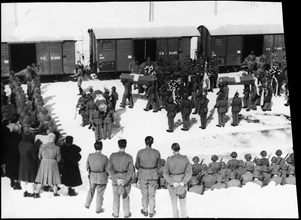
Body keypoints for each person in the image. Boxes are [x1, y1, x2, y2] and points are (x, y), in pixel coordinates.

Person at [163, 143, 192, 218]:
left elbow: (165, 173)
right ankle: (184, 216)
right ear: (179, 149)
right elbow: (189, 172)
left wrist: (172, 182)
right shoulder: (185, 158)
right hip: (182, 183)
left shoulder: (169, 159)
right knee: (183, 203)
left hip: (172, 185)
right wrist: (183, 182)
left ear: (172, 150)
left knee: (174, 204)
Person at [107, 139, 134, 218]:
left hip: (116, 178)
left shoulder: (112, 156)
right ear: (126, 146)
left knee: (116, 197)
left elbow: (109, 169)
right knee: (125, 197)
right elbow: (131, 171)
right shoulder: (129, 157)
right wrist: (125, 181)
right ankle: (126, 214)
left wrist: (116, 179)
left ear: (118, 145)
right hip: (126, 178)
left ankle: (115, 214)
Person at [135, 136, 161, 218]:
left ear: (145, 142)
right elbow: (159, 165)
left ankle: (145, 210)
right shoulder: (156, 152)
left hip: (143, 174)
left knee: (144, 193)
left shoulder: (140, 152)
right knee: (152, 194)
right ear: (152, 142)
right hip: (153, 174)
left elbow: (136, 165)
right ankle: (152, 211)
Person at [34, 133, 62, 198]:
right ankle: (55, 193)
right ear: (54, 139)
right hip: (53, 163)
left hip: (43, 163)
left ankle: (36, 193)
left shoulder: (42, 146)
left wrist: (44, 159)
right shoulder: (57, 148)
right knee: (54, 179)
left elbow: (39, 157)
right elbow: (59, 159)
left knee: (41, 179)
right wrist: (54, 161)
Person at [85, 141, 108, 214]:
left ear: (94, 147)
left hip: (92, 176)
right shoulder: (104, 158)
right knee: (100, 193)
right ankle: (98, 209)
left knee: (91, 190)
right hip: (101, 177)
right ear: (102, 147)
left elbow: (87, 167)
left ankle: (87, 204)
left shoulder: (90, 156)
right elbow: (107, 169)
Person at [18, 130, 39, 197]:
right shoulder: (31, 146)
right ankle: (31, 192)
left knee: (23, 178)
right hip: (30, 164)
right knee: (30, 179)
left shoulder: (20, 143)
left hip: (22, 163)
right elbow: (35, 157)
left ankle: (24, 191)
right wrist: (36, 146)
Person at [5, 118, 23, 190]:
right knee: (15, 168)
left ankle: (12, 181)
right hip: (16, 155)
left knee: (10, 168)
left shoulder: (8, 135)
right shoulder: (20, 137)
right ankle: (16, 183)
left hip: (9, 154)